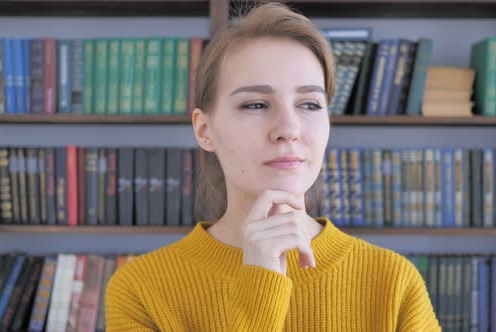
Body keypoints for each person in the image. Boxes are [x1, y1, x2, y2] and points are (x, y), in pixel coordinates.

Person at [105, 3, 440, 331]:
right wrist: (260, 289)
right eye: (256, 104)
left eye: (309, 104)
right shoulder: (140, 289)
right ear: (204, 130)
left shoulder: (393, 280)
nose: (289, 129)